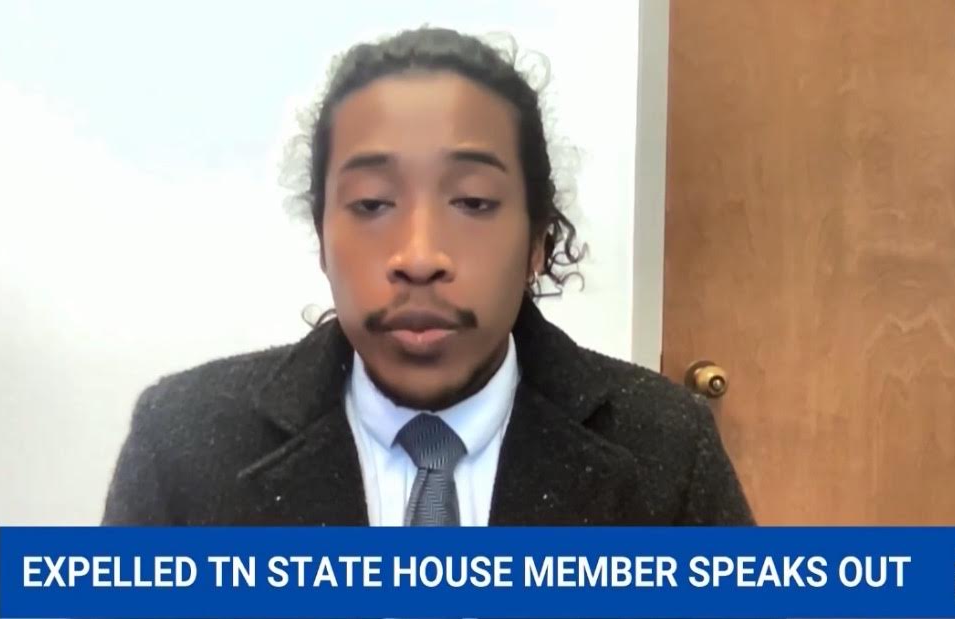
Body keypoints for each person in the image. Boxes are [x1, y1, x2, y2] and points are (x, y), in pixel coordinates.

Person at [102, 27, 752, 527]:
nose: (418, 255)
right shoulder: (181, 444)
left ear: (537, 240)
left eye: (472, 201)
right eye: (371, 204)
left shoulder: (668, 448)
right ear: (322, 236)